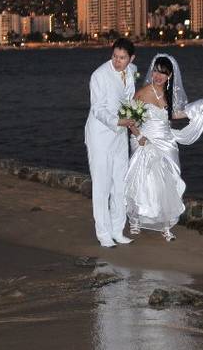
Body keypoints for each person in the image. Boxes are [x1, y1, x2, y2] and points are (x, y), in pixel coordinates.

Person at [126, 54, 203, 241]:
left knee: (169, 182)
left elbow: (171, 115)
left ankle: (165, 225)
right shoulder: (143, 92)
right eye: (156, 71)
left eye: (163, 73)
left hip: (166, 141)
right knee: (143, 182)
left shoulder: (168, 94)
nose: (158, 76)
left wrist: (199, 108)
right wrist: (139, 136)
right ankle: (135, 220)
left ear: (169, 75)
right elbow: (131, 119)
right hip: (145, 139)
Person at [85, 38, 138, 248]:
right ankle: (104, 234)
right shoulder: (98, 75)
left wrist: (134, 119)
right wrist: (118, 121)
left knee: (120, 184)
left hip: (119, 136)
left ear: (131, 59)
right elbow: (97, 109)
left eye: (122, 58)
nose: (117, 61)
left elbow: (130, 100)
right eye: (115, 56)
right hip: (100, 135)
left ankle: (118, 229)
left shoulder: (132, 70)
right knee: (102, 185)